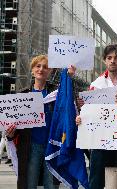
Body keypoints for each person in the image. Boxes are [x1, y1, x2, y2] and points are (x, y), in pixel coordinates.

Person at [6, 55, 75, 189]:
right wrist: (10, 134)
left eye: (46, 67)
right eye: (38, 66)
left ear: (50, 71)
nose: (41, 69)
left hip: (52, 146)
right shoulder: (23, 95)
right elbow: (15, 125)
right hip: (31, 146)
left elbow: (67, 101)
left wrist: (69, 77)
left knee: (51, 185)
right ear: (32, 70)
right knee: (29, 184)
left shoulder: (57, 94)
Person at [77, 44, 117, 189]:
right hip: (100, 137)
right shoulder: (96, 84)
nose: (112, 61)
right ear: (104, 60)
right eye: (109, 58)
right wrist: (82, 116)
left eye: (116, 58)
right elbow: (89, 112)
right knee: (96, 178)